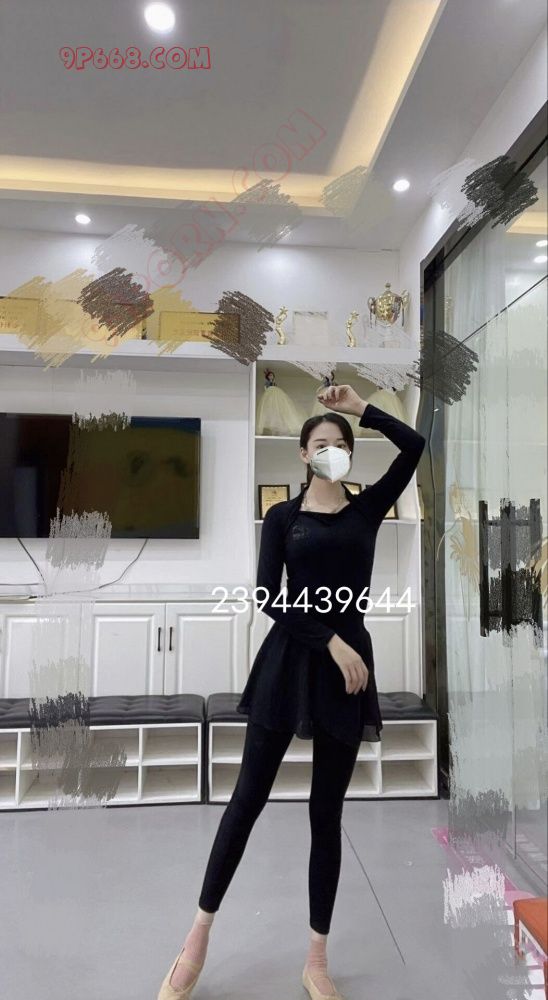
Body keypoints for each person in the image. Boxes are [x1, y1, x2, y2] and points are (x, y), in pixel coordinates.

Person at [157, 384, 426, 1000]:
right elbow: (266, 596)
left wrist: (360, 409)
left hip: (347, 673)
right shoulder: (282, 517)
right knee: (246, 800)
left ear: (349, 454)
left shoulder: (368, 508)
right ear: (303, 454)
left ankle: (316, 960)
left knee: (325, 816)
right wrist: (330, 640)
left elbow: (413, 446)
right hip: (292, 662)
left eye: (340, 444)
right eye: (320, 443)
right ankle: (195, 941)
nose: (331, 451)